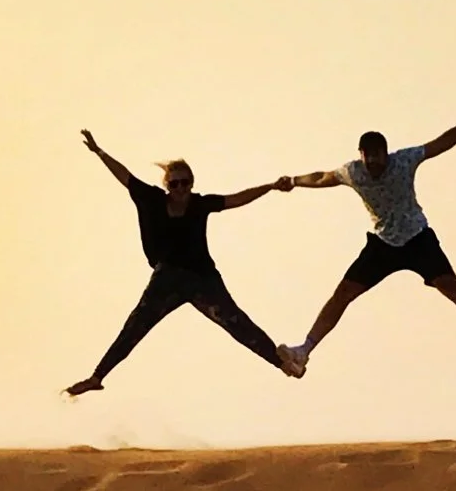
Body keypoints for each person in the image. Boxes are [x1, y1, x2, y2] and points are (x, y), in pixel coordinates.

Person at [67, 133, 303, 395]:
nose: (180, 189)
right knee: (136, 325)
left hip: (202, 278)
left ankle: (282, 363)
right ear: (167, 185)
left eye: (185, 183)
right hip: (167, 278)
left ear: (192, 183)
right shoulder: (152, 199)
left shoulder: (200, 204)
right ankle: (96, 377)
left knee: (236, 322)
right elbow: (125, 176)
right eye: (175, 184)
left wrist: (270, 186)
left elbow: (236, 198)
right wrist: (99, 152)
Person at [281, 102, 456, 365]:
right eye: (368, 157)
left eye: (377, 156)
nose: (373, 163)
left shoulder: (404, 161)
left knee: (451, 287)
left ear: (386, 153)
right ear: (361, 155)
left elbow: (443, 142)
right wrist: (293, 181)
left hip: (417, 239)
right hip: (383, 245)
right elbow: (321, 177)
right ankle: (304, 350)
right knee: (343, 293)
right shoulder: (353, 172)